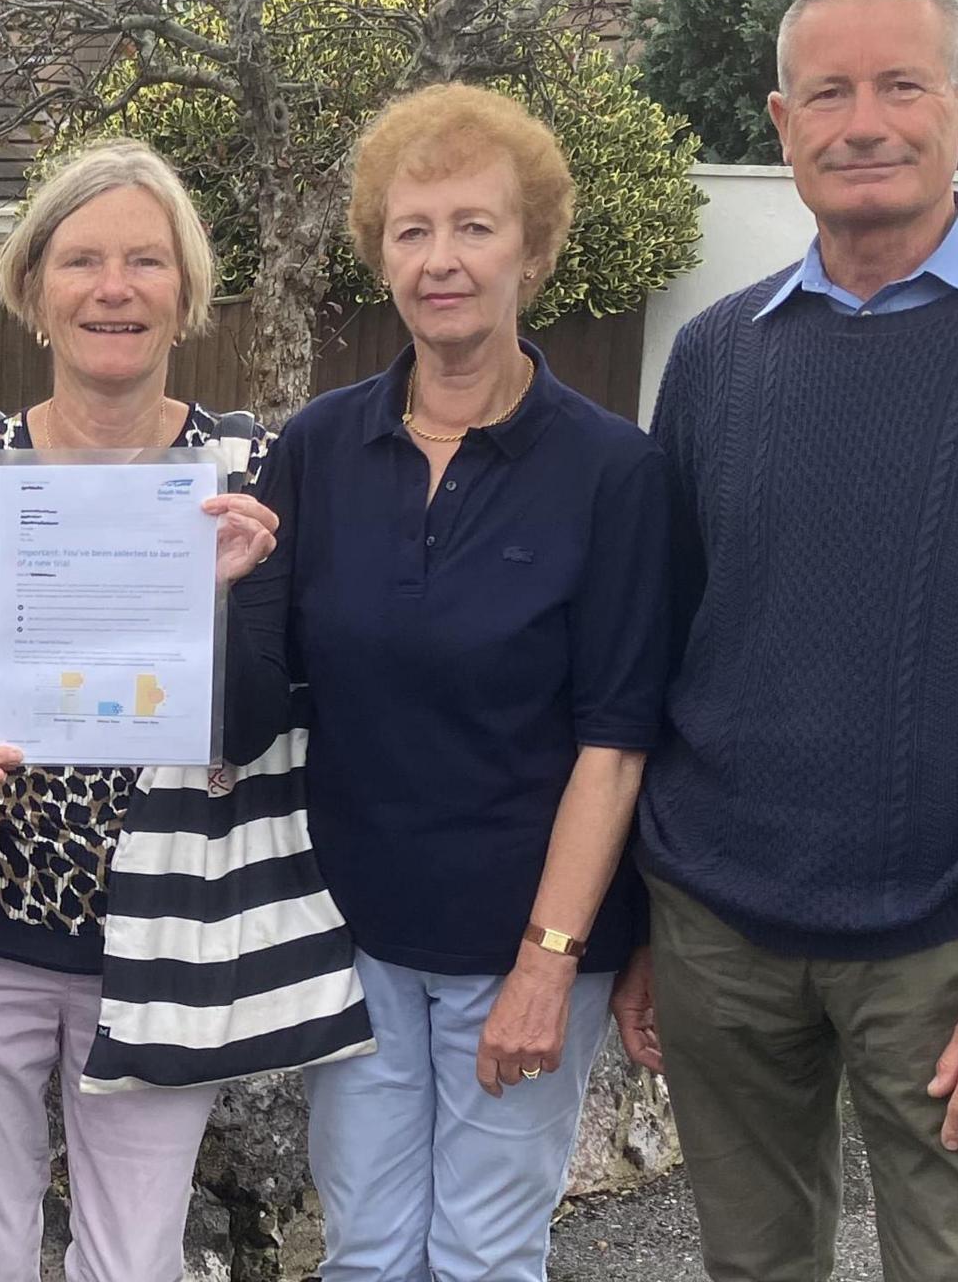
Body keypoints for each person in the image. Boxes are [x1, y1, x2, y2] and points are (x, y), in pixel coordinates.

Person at [623, 0, 958, 1282]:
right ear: (781, 123)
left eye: (901, 86)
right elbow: (659, 654)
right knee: (752, 1266)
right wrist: (638, 932)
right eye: (828, 91)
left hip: (955, 943)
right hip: (718, 930)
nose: (865, 122)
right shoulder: (717, 355)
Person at [0, 139, 303, 1281]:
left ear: (184, 293)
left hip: (166, 939)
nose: (112, 288)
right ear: (30, 290)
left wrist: (217, 599)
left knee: (132, 1262)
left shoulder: (251, 470)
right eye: (79, 261)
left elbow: (253, 723)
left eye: (144, 262)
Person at [274, 84, 674, 1282]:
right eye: (411, 230)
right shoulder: (316, 449)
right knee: (364, 1250)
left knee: (485, 1252)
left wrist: (549, 964)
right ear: (379, 253)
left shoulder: (614, 473)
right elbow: (271, 686)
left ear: (533, 251)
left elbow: (616, 739)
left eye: (473, 226)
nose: (439, 260)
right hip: (352, 935)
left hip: (526, 937)